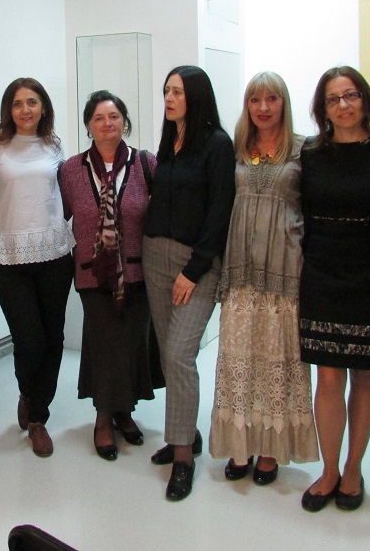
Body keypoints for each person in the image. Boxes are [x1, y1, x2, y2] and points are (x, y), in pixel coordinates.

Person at [297, 66, 370, 512]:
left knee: (363, 374)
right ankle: (329, 470)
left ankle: (354, 468)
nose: (343, 105)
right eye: (332, 99)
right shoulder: (310, 154)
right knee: (327, 376)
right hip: (322, 272)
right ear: (322, 109)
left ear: (364, 100)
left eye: (350, 95)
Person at [210, 71, 318, 488]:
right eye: (255, 100)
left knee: (278, 361)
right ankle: (241, 444)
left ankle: (271, 448)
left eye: (272, 99)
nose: (263, 107)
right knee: (239, 359)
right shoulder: (235, 149)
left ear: (284, 104)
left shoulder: (305, 151)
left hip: (284, 272)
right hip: (240, 270)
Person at [142, 65, 235, 501]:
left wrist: (194, 270)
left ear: (196, 96)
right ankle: (186, 434)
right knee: (168, 353)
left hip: (195, 264)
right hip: (155, 256)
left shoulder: (217, 144)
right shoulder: (170, 140)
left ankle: (183, 457)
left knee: (180, 354)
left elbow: (220, 211)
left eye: (177, 92)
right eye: (166, 91)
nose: (169, 98)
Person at [0, 77, 75, 458]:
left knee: (53, 338)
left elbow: (60, 192)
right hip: (10, 256)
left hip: (55, 254)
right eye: (17, 103)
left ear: (43, 107)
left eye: (32, 102)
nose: (25, 109)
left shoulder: (54, 144)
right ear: (9, 109)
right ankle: (28, 393)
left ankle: (38, 417)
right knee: (28, 339)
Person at [59, 91, 156, 461]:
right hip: (93, 274)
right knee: (104, 344)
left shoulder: (145, 163)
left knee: (131, 343)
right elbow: (57, 215)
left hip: (137, 272)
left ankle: (124, 411)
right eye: (98, 118)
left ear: (124, 121)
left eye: (114, 116)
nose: (107, 124)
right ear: (89, 125)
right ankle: (103, 416)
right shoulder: (71, 170)